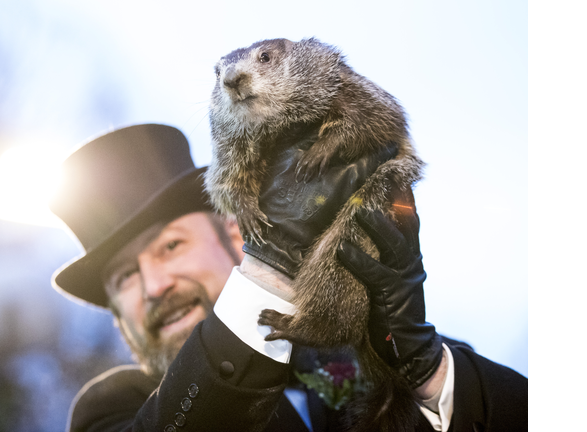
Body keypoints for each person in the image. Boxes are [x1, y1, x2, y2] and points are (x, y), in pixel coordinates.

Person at [49, 124, 527, 432]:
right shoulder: (110, 408)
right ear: (116, 314)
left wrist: (425, 372)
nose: (154, 287)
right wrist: (272, 270)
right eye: (124, 277)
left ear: (235, 236)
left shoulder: (361, 360)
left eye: (171, 246)